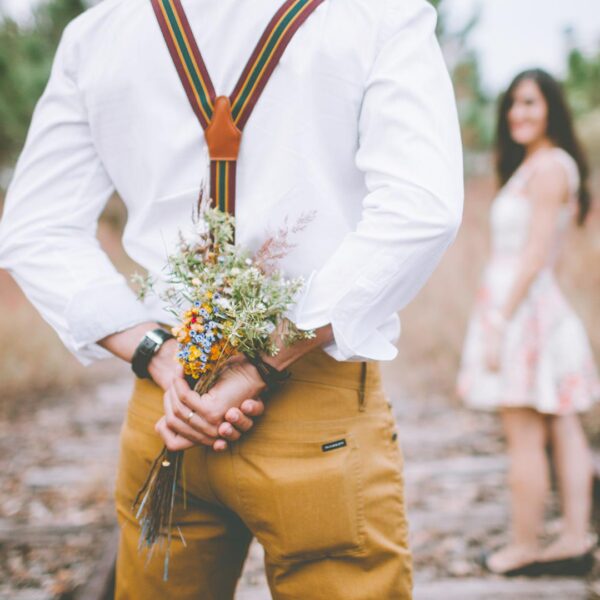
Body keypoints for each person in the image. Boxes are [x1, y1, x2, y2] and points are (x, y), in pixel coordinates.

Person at [0, 0, 463, 598]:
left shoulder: (100, 34)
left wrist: (159, 356)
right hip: (312, 404)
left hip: (170, 407)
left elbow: (35, 228)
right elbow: (421, 209)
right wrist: (257, 363)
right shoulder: (376, 15)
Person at [457, 68, 600, 577]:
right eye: (513, 104)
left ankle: (524, 546)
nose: (518, 113)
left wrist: (498, 319)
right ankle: (573, 538)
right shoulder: (540, 165)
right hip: (532, 305)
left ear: (551, 109)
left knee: (524, 433)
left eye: (530, 103)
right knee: (561, 425)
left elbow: (537, 253)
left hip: (522, 311)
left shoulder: (548, 169)